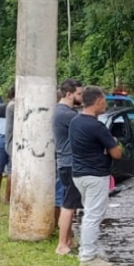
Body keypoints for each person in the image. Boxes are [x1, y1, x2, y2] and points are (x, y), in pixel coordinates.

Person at [69, 86, 122, 266]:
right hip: (96, 175)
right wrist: (114, 143)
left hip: (79, 174)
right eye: (104, 102)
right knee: (93, 215)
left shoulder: (75, 121)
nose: (105, 105)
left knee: (88, 214)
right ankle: (88, 257)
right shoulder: (97, 126)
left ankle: (87, 250)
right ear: (98, 101)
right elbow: (117, 154)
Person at [54, 79, 83, 256]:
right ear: (69, 94)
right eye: (79, 94)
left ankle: (69, 240)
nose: (82, 97)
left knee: (69, 203)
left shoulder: (62, 111)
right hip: (70, 163)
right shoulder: (66, 114)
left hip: (66, 162)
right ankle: (62, 244)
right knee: (69, 204)